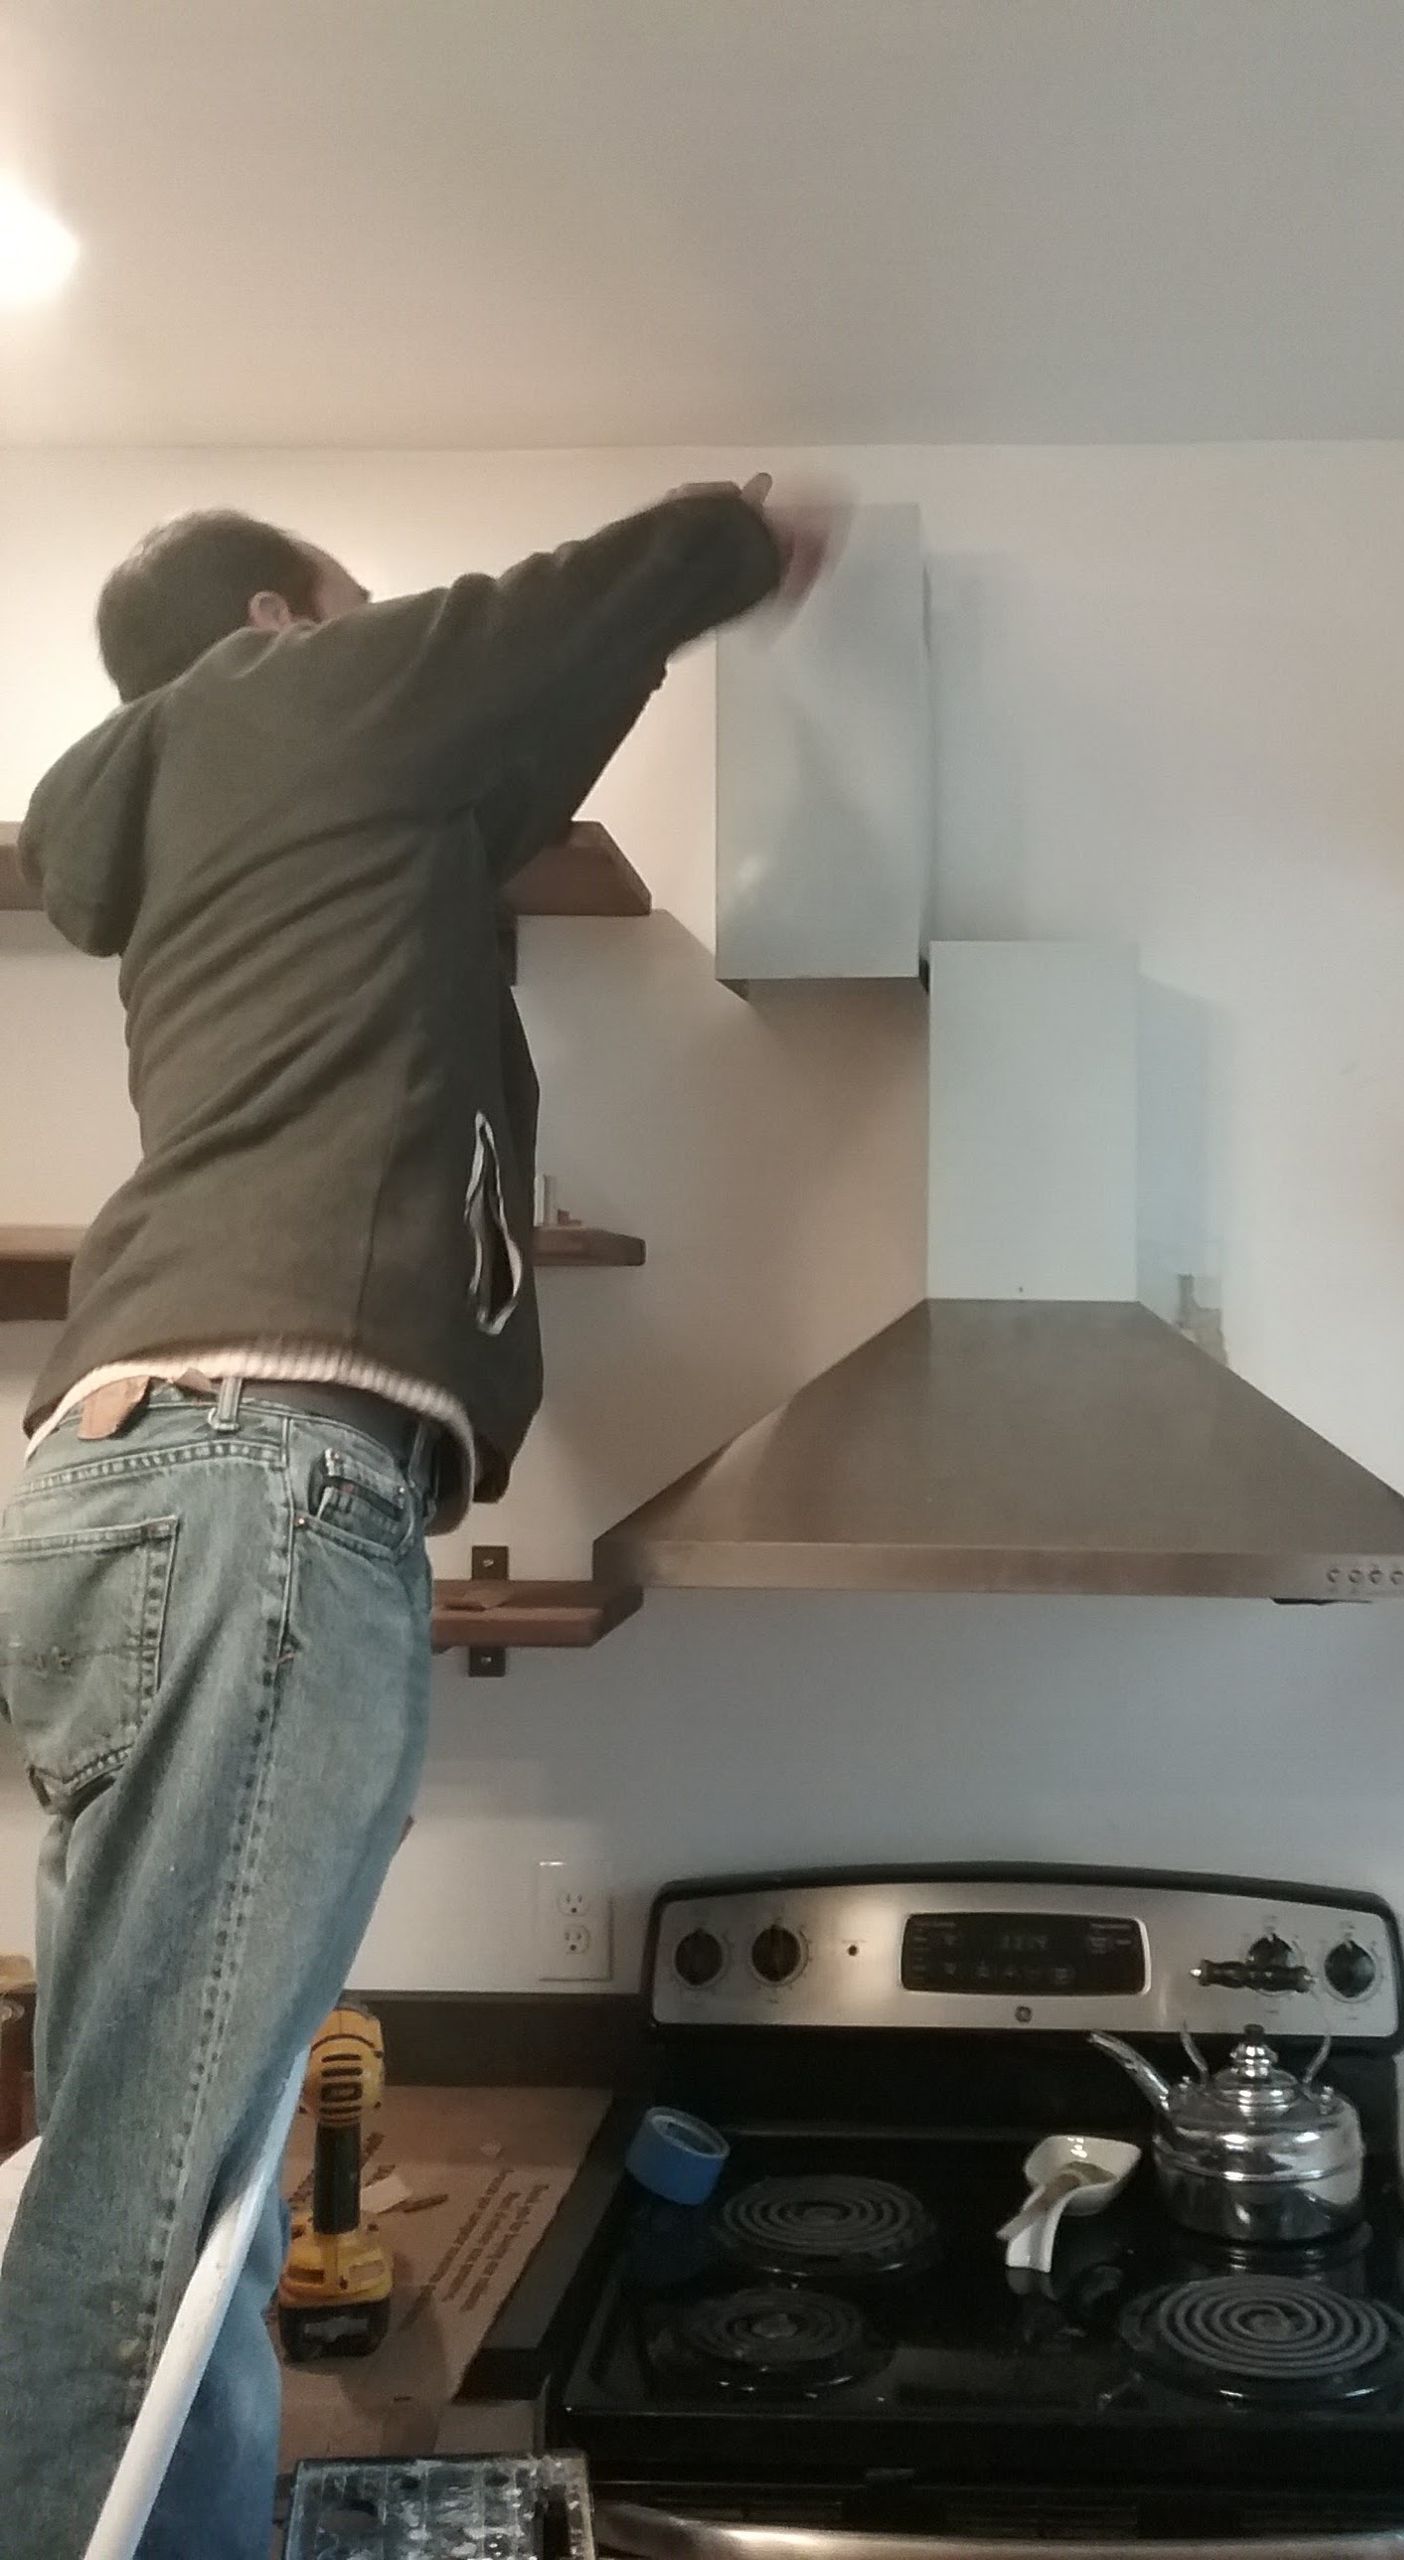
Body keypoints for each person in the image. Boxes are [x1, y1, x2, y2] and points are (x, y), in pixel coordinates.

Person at [0, 475, 833, 2558]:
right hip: (262, 1482)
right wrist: (736, 533)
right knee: (152, 2198)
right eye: (352, 620)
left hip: (146, 1478)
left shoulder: (227, 812)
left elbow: (506, 745)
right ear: (286, 618)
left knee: (159, 2168)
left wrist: (630, 665)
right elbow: (529, 629)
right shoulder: (288, 692)